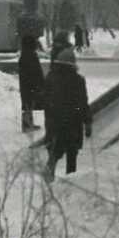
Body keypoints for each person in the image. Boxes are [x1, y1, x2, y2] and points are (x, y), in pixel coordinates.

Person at [42, 47, 91, 183]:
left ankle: (50, 171)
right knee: (71, 152)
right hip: (73, 122)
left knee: (54, 148)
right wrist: (88, 122)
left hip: (53, 120)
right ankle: (71, 178)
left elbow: (44, 99)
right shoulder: (77, 80)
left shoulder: (50, 77)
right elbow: (83, 102)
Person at [17, 35, 44, 133]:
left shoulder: (25, 55)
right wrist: (39, 83)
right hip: (31, 84)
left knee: (28, 103)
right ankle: (27, 125)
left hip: (26, 84)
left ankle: (28, 123)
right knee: (29, 103)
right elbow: (35, 71)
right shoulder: (30, 55)